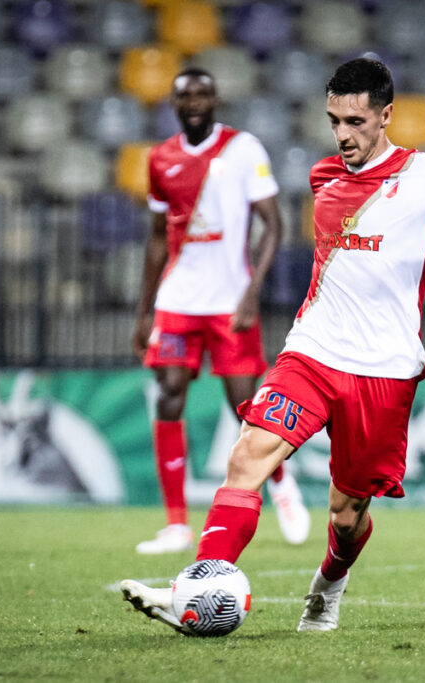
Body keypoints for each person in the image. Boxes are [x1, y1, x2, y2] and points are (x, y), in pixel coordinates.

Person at [121, 58, 425, 629]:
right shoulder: (324, 176)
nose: (343, 135)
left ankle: (328, 585)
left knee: (346, 514)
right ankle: (196, 584)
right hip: (312, 353)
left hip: (385, 370)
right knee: (247, 457)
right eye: (334, 120)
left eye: (356, 121)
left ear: (386, 116)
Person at [132, 67, 310, 555]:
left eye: (203, 93)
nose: (195, 101)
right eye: (185, 94)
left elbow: (274, 225)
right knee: (169, 395)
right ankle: (175, 525)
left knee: (245, 408)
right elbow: (154, 241)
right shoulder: (160, 158)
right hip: (178, 301)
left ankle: (282, 486)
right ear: (172, 103)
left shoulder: (243, 149)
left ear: (214, 100)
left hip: (229, 301)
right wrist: (144, 311)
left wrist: (252, 291)